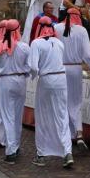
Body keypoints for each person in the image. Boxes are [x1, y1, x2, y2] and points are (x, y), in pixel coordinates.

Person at [29, 16, 74, 168]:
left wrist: (34, 77)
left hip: (46, 79)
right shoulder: (59, 43)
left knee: (42, 116)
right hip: (61, 79)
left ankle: (41, 154)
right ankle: (67, 152)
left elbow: (34, 67)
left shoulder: (36, 43)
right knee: (62, 115)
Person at [0, 19, 30, 164]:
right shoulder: (24, 47)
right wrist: (25, 74)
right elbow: (30, 66)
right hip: (20, 81)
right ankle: (15, 146)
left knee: (8, 117)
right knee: (17, 117)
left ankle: (11, 150)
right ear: (18, 30)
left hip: (5, 81)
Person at [54, 8, 90, 150]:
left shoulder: (56, 28)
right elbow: (88, 55)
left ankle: (66, 136)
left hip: (60, 69)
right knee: (76, 102)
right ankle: (78, 133)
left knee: (62, 102)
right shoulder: (81, 30)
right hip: (76, 69)